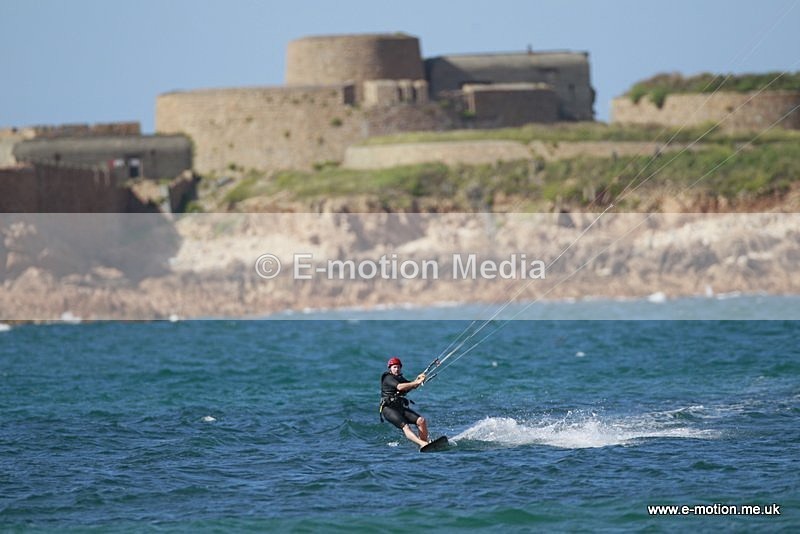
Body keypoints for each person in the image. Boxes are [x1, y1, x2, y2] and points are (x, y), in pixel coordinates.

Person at [379, 356, 430, 448]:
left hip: (400, 408)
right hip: (388, 409)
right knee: (406, 427)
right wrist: (417, 382)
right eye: (394, 367)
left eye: (398, 367)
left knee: (421, 421)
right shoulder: (388, 377)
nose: (397, 369)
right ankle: (422, 444)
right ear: (390, 368)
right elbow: (400, 387)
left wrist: (420, 379)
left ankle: (424, 444)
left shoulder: (400, 378)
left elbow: (411, 386)